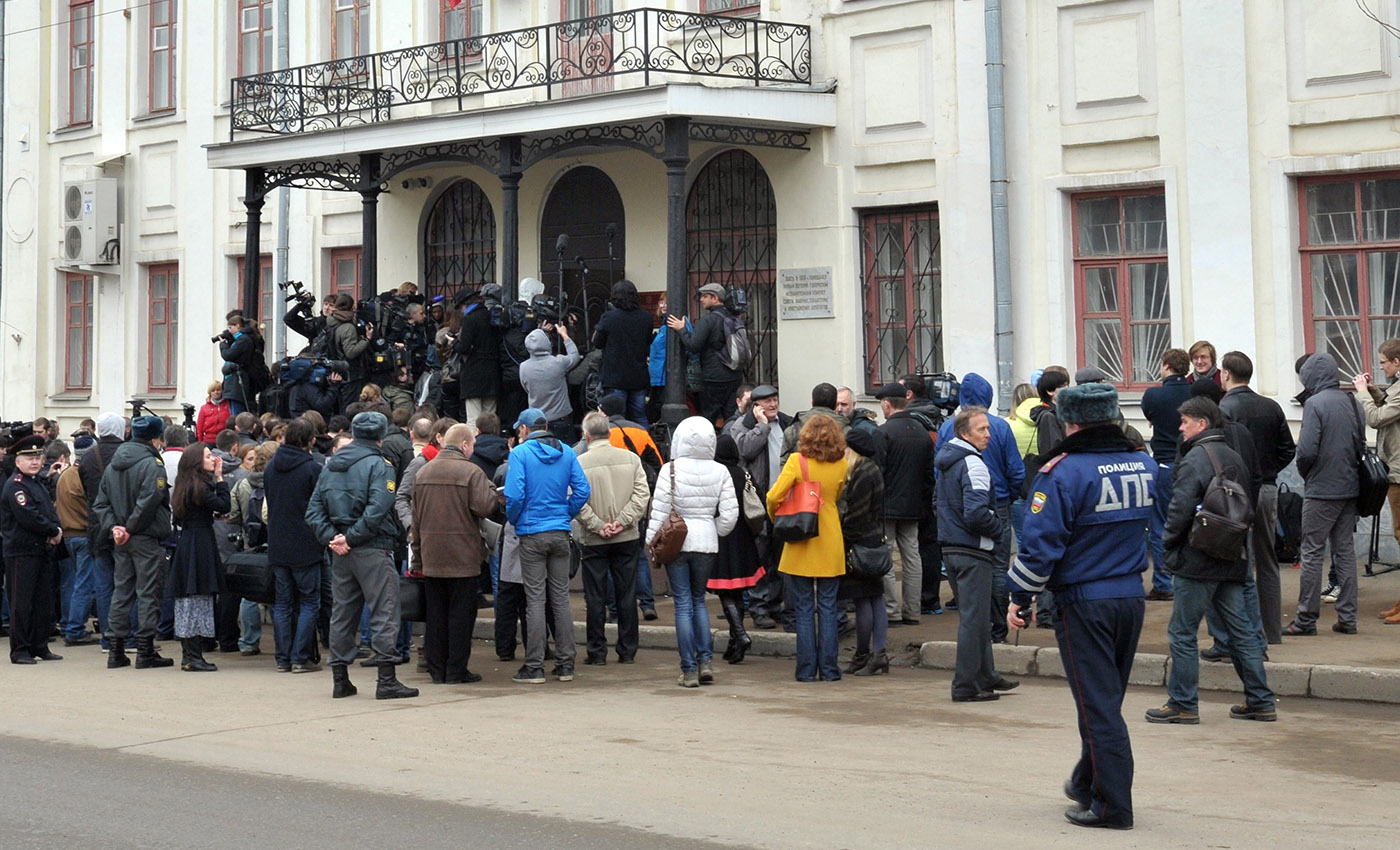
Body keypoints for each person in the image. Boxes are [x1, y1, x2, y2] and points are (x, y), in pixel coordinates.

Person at [1007, 383, 1157, 831]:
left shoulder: (1062, 472)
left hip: (1085, 601)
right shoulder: (1144, 463)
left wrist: (1020, 596)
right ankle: (1084, 780)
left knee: (1098, 707)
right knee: (1105, 700)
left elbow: (1039, 547)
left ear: (1070, 423)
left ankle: (1113, 807)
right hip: (1131, 595)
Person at [1146, 396, 1274, 725]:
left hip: (1198, 556)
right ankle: (1260, 701)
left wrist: (1169, 546)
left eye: (1185, 421)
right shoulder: (1233, 455)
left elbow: (1179, 509)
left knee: (1183, 632)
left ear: (1201, 424)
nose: (1180, 427)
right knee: (1242, 630)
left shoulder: (1194, 459)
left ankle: (1183, 703)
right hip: (1231, 553)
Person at [306, 411, 418, 700]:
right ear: (381, 437)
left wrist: (333, 537)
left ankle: (340, 678)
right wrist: (351, 537)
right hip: (371, 546)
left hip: (340, 551)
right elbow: (380, 506)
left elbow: (313, 510)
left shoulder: (330, 467)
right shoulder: (381, 466)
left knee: (343, 612)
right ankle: (386, 679)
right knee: (385, 609)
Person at [646, 416, 738, 687]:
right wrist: (714, 528)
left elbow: (660, 511)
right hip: (706, 542)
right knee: (699, 600)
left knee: (683, 603)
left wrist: (652, 543)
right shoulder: (720, 471)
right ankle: (706, 662)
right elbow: (730, 514)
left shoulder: (670, 469)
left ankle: (688, 669)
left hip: (677, 542)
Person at [936, 373, 1025, 642]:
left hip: (958, 509)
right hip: (996, 505)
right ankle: (996, 629)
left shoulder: (947, 427)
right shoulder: (999, 426)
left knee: (967, 568)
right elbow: (1016, 471)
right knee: (997, 566)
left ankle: (975, 628)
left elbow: (939, 470)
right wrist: (1005, 498)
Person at [937, 406, 1018, 701]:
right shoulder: (973, 464)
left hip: (952, 547)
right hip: (972, 550)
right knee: (974, 620)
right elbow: (975, 513)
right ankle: (967, 685)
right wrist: (998, 528)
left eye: (987, 427)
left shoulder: (949, 460)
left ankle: (985, 675)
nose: (988, 434)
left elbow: (942, 503)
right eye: (981, 429)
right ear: (964, 433)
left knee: (977, 618)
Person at [504, 409, 590, 685]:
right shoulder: (567, 452)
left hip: (531, 532)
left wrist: (517, 520)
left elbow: (515, 494)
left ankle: (535, 666)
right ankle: (566, 665)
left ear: (527, 430)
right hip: (559, 531)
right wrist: (565, 513)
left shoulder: (520, 454)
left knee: (535, 600)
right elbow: (583, 491)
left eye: (519, 430)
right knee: (561, 599)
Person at [411, 423, 499, 684]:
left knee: (435, 615)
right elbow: (485, 507)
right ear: (464, 445)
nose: (473, 449)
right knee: (461, 616)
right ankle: (456, 670)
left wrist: (417, 557)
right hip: (463, 557)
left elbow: (415, 522)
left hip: (431, 556)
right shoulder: (472, 472)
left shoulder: (423, 472)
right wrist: (493, 493)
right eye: (472, 444)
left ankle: (437, 669)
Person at [1218, 351, 1295, 643]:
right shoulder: (1271, 406)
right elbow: (1288, 449)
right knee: (1267, 559)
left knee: (1239, 560)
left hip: (1236, 492)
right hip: (1267, 488)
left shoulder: (1223, 408)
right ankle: (1272, 632)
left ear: (1226, 374)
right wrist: (1270, 470)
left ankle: (1246, 633)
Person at [766, 415, 847, 683]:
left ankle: (805, 670)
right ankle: (830, 670)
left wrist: (778, 519)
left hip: (801, 537)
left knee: (802, 608)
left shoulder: (796, 461)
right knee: (828, 607)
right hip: (830, 537)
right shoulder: (842, 463)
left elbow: (774, 496)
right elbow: (837, 495)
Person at [1287, 352, 1363, 636]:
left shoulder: (1315, 404)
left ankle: (1306, 619)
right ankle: (1348, 618)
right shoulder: (1352, 402)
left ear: (1311, 377)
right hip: (1349, 486)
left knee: (1312, 552)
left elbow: (1306, 451)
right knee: (1344, 552)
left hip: (1322, 489)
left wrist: (1308, 475)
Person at [93, 415, 175, 669]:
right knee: (149, 591)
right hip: (146, 537)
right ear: (155, 438)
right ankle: (145, 650)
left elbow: (101, 503)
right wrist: (130, 527)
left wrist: (115, 528)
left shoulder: (113, 464)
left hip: (121, 538)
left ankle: (115, 650)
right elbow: (150, 499)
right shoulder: (152, 464)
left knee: (122, 591)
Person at [575, 411, 650, 666]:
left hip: (594, 539)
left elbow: (575, 500)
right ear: (608, 433)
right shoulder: (630, 459)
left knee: (595, 596)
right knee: (626, 594)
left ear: (586, 436)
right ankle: (627, 650)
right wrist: (623, 521)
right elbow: (642, 495)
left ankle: (596, 652)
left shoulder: (579, 463)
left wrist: (597, 525)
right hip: (626, 536)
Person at [726, 383, 792, 630]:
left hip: (785, 502)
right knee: (761, 556)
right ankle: (760, 608)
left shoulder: (786, 423)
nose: (773, 404)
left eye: (775, 399)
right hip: (759, 502)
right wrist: (762, 426)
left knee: (780, 557)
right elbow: (745, 450)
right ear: (756, 406)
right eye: (767, 402)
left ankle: (776, 605)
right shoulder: (742, 426)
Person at [265, 418, 324, 674]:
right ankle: (300, 657)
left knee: (282, 603)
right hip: (306, 543)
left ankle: (282, 658)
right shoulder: (312, 469)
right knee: (310, 601)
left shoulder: (270, 468)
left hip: (278, 542)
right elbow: (320, 505)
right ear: (310, 440)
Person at [1, 433, 64, 664]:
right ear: (18, 462)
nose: (35, 462)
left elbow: (48, 510)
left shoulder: (36, 483)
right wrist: (52, 531)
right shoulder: (16, 486)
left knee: (41, 602)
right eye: (29, 458)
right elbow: (29, 517)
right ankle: (20, 650)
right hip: (22, 552)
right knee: (21, 603)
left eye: (38, 457)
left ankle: (39, 645)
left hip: (40, 551)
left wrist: (56, 527)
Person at [168, 444, 230, 673]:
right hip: (200, 541)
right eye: (207, 456)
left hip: (188, 541)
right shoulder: (201, 486)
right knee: (198, 594)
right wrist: (221, 478)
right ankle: (193, 656)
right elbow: (224, 504)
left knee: (189, 596)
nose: (213, 458)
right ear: (196, 461)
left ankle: (190, 654)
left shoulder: (183, 484)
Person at [875, 381, 932, 626]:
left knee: (886, 558)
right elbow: (929, 474)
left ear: (887, 405)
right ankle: (913, 610)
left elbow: (877, 472)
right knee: (912, 556)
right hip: (914, 505)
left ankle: (891, 611)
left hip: (887, 506)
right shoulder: (922, 431)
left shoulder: (883, 432)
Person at [1140, 348, 1193, 601]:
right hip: (1194, 464)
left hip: (1164, 464)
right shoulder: (1195, 393)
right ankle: (1191, 578)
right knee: (1194, 522)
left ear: (1167, 367)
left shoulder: (1154, 395)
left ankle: (1163, 583)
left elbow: (1150, 415)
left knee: (1161, 525)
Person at [1353, 340, 1400, 624]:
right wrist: (1372, 390)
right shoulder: (1396, 385)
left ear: (1397, 362)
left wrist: (1362, 394)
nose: (1381, 366)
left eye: (1384, 361)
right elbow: (1388, 401)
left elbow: (1377, 418)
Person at [837, 428, 889, 675]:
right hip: (875, 543)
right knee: (875, 597)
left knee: (863, 599)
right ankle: (879, 654)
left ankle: (864, 654)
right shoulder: (873, 469)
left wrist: (842, 539)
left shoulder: (861, 473)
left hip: (860, 546)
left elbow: (856, 515)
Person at [709, 434, 764, 664]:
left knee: (725, 592)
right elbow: (758, 499)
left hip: (721, 539)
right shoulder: (745, 474)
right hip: (744, 540)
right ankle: (735, 644)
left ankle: (740, 635)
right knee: (739, 592)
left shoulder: (714, 475)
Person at [668, 282, 742, 426]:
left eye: (705, 296)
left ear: (715, 299)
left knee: (709, 417)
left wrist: (681, 329)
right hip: (734, 376)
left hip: (713, 378)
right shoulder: (734, 318)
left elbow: (693, 345)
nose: (701, 300)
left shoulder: (708, 320)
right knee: (731, 416)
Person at [592, 279, 653, 428]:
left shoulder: (609, 317)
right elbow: (647, 343)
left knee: (615, 418)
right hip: (638, 375)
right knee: (639, 416)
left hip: (615, 377)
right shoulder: (646, 317)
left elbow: (597, 343)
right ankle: (644, 446)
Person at [54, 456, 97, 646]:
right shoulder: (82, 477)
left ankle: (69, 624)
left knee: (73, 582)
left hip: (69, 535)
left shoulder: (65, 475)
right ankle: (74, 629)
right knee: (84, 584)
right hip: (83, 533)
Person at [519, 325, 582, 446]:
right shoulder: (558, 362)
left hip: (537, 421)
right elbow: (574, 356)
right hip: (562, 419)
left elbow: (527, 389)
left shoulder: (523, 367)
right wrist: (564, 335)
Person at [453, 286, 503, 421]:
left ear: (465, 304)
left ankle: (475, 442)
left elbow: (464, 347)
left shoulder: (469, 318)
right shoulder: (489, 315)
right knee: (490, 417)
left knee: (474, 418)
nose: (461, 311)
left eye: (461, 308)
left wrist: (453, 342)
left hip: (474, 373)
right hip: (492, 371)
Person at [219, 314, 259, 416]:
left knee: (237, 412)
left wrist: (223, 344)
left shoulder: (243, 340)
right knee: (234, 409)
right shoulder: (241, 339)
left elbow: (228, 355)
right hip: (234, 381)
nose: (229, 330)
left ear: (237, 326)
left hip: (237, 380)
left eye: (230, 327)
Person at [836, 386, 885, 464]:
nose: (839, 409)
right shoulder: (830, 426)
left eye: (844, 404)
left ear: (854, 404)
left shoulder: (868, 429)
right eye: (836, 404)